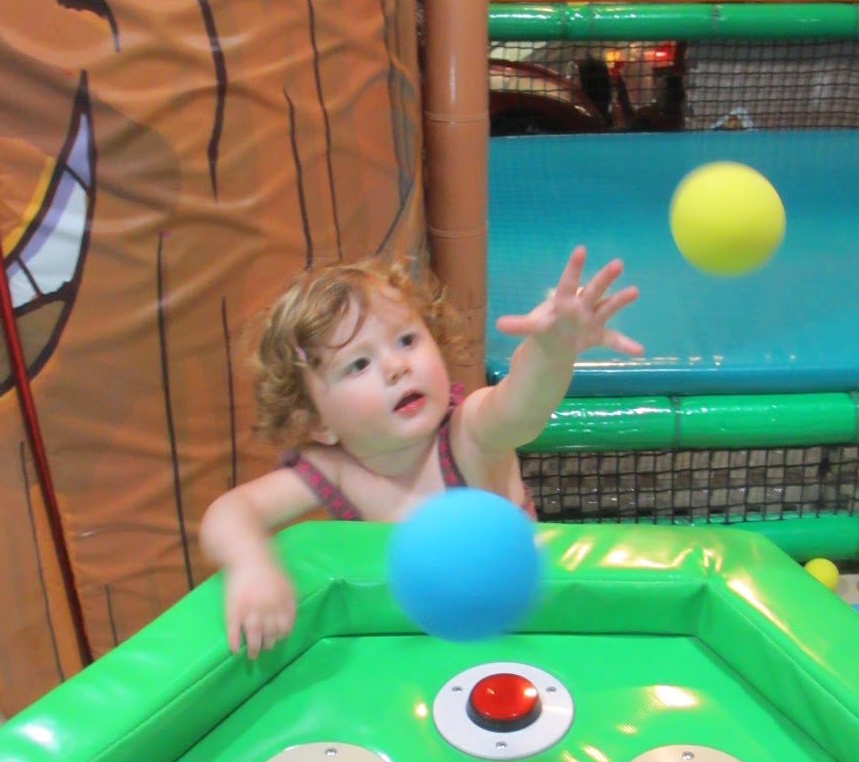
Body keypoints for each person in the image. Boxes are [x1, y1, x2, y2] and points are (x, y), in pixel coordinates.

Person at [200, 245, 642, 656]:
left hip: (524, 633)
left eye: (407, 340)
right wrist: (250, 564)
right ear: (317, 422)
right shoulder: (335, 471)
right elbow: (231, 511)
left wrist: (550, 349)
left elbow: (521, 406)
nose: (397, 367)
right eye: (358, 364)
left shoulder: (468, 435)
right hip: (416, 650)